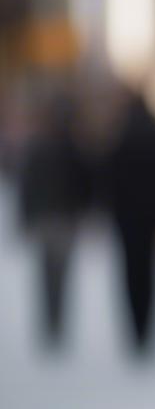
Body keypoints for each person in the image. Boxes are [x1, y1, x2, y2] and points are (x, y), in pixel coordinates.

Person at [97, 86, 155, 353]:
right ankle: (148, 330)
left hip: (126, 219)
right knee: (150, 273)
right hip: (153, 217)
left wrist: (108, 209)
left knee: (130, 273)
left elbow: (109, 177)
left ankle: (136, 331)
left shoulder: (119, 132)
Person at [16, 87, 93, 348]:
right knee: (59, 274)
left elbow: (28, 185)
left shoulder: (43, 146)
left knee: (48, 273)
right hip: (62, 218)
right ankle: (55, 322)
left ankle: (52, 323)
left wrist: (26, 217)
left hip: (51, 218)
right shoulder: (72, 146)